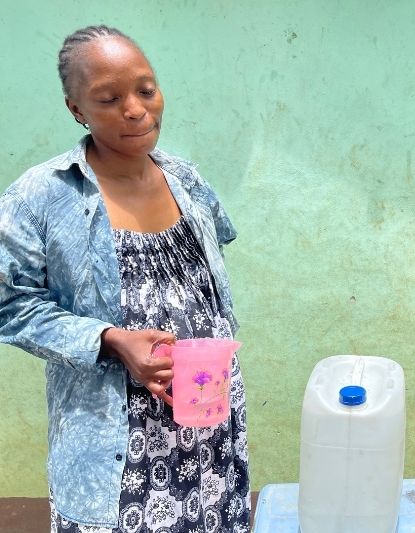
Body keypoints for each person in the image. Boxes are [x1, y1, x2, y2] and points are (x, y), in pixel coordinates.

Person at [0, 26, 249, 532]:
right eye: (109, 99)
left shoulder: (186, 179)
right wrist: (110, 340)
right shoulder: (41, 197)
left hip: (207, 415)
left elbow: (201, 281)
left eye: (146, 89)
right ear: (77, 110)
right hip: (117, 443)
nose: (135, 109)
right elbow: (9, 304)